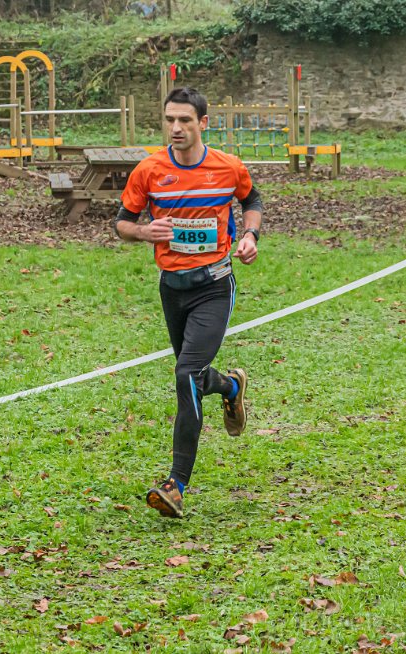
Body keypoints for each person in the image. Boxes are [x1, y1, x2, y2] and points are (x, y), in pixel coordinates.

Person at [113, 87, 263, 518]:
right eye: (169, 120)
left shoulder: (227, 167)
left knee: (185, 374)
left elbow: (251, 200)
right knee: (192, 377)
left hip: (214, 285)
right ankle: (231, 386)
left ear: (203, 123)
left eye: (185, 120)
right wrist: (145, 232)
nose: (176, 128)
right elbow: (122, 223)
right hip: (172, 288)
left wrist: (250, 235)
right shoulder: (149, 170)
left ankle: (175, 485)